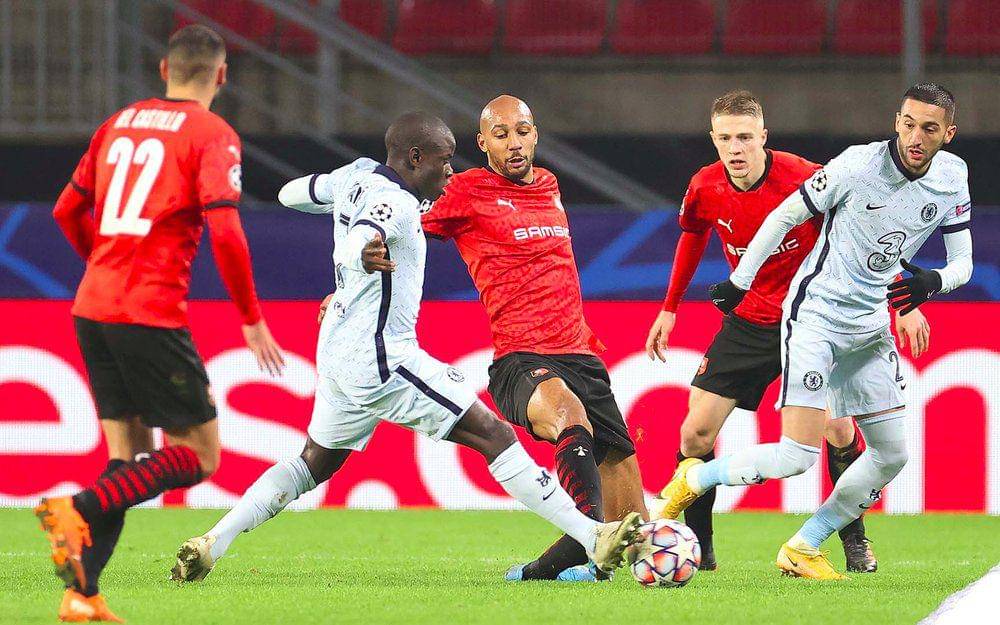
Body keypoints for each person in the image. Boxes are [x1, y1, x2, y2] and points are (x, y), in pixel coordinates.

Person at [170, 112, 642, 583]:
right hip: (382, 358)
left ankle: (215, 540)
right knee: (494, 437)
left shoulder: (354, 175)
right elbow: (357, 241)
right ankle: (590, 535)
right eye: (444, 160)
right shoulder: (395, 204)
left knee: (313, 461)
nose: (451, 171)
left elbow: (290, 193)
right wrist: (359, 255)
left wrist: (347, 249)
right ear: (416, 158)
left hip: (336, 353)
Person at [656, 83, 973, 579]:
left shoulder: (951, 177)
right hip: (806, 316)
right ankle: (696, 489)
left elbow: (922, 253)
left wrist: (926, 287)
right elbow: (772, 219)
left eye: (929, 128)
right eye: (908, 123)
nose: (916, 136)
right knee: (774, 449)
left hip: (868, 324)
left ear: (947, 135)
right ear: (896, 121)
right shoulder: (852, 167)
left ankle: (814, 543)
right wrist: (723, 288)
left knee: (885, 451)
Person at [36, 25, 284, 622]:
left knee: (129, 456)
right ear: (220, 75)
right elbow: (225, 229)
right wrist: (250, 317)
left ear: (162, 70)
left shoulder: (116, 123)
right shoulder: (212, 133)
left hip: (92, 307)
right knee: (200, 456)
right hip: (148, 312)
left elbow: (66, 208)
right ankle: (76, 509)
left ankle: (82, 596)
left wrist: (101, 264)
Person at [421, 95, 649, 582]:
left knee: (636, 528)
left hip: (581, 355)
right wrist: (351, 280)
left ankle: (553, 570)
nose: (514, 142)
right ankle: (587, 541)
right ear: (483, 144)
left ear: (536, 134)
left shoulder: (549, 184)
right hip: (521, 360)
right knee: (569, 414)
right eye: (500, 134)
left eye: (522, 131)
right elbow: (400, 229)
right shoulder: (465, 191)